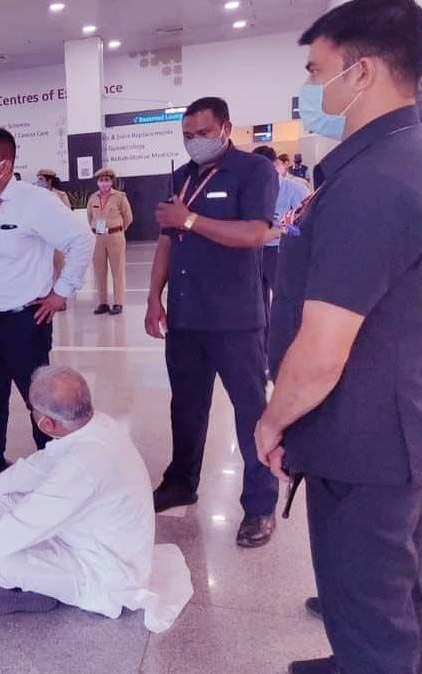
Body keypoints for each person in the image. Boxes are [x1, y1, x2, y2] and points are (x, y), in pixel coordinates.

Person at [257, 2, 422, 674]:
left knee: (373, 626)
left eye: (316, 71)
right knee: (390, 602)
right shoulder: (400, 155)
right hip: (383, 429)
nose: (310, 89)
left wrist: (273, 420)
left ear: (359, 72)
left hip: (363, 441)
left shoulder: (376, 181)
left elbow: (326, 345)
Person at [0, 366, 192, 629]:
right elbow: (40, 465)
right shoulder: (96, 424)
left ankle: (44, 593)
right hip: (87, 535)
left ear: (47, 423)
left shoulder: (83, 465)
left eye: (31, 410)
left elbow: (21, 526)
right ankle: (2, 557)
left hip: (102, 571)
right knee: (4, 496)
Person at [148, 96, 281, 548]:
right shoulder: (182, 176)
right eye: (187, 134)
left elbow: (255, 233)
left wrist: (191, 219)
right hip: (185, 318)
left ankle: (260, 505)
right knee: (185, 407)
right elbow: (167, 242)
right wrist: (153, 298)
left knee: (250, 412)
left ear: (225, 128)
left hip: (236, 320)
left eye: (202, 133)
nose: (194, 142)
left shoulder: (252, 171)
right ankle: (180, 481)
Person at [0, 126, 94, 495]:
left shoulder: (35, 202)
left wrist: (61, 293)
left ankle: (52, 472)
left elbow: (81, 240)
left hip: (24, 322)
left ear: (5, 165)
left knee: (39, 402)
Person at [253, 146, 308, 360]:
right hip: (256, 253)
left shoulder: (296, 190)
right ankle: (265, 352)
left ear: (275, 165)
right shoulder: (252, 191)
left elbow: (305, 226)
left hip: (282, 253)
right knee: (259, 304)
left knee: (285, 303)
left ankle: (291, 349)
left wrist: (279, 230)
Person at [87, 167, 133, 316]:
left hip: (115, 236)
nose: (103, 183)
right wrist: (96, 230)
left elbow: (128, 217)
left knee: (117, 271)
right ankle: (103, 303)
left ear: (111, 181)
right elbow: (90, 217)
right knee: (100, 271)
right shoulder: (93, 198)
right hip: (98, 238)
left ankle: (118, 303)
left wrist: (119, 229)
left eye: (106, 180)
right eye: (101, 180)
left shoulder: (120, 197)